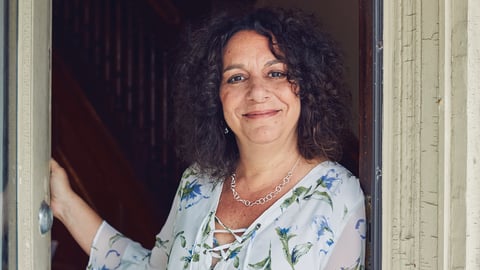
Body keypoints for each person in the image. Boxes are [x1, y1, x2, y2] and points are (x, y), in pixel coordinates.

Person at [50, 7, 365, 270]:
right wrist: (65, 203)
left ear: (306, 87)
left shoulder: (338, 197)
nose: (257, 92)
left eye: (276, 73)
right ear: (216, 96)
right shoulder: (198, 183)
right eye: (236, 77)